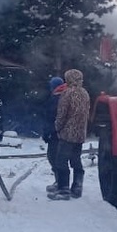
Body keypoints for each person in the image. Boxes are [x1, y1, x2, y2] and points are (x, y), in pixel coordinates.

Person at [48, 68, 90, 200]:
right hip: (80, 134)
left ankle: (63, 189)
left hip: (67, 133)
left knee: (61, 161)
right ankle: (77, 187)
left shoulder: (67, 93)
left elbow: (62, 114)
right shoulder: (85, 93)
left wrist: (57, 128)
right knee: (76, 160)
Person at [43, 76, 65, 191]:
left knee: (53, 157)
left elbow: (51, 117)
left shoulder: (56, 98)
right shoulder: (65, 96)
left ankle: (60, 183)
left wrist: (47, 132)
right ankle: (62, 183)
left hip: (55, 133)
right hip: (63, 133)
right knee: (59, 158)